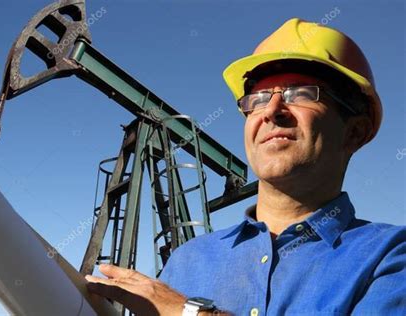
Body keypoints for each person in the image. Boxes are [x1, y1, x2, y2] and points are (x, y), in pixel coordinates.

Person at [85, 18, 405, 315]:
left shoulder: (389, 257)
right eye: (258, 99)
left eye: (302, 93)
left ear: (355, 131)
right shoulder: (188, 259)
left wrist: (187, 311)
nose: (272, 110)